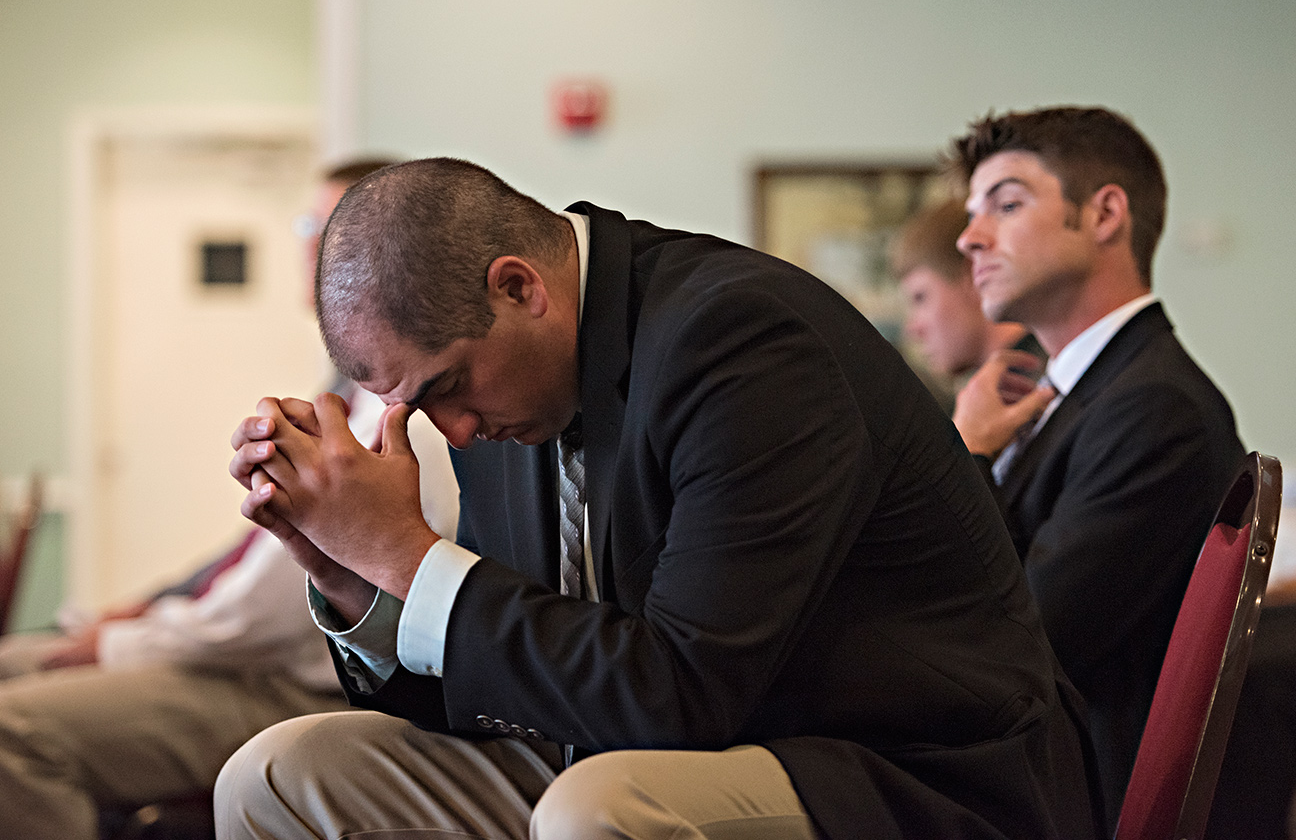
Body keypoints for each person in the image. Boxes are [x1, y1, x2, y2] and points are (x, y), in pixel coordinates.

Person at [221, 157, 1105, 840]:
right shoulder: (501, 397)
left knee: (598, 809)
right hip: (633, 753)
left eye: (448, 385)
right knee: (276, 773)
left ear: (519, 286)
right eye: (418, 403)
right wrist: (348, 572)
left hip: (899, 771)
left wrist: (406, 554)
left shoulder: (739, 342)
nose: (449, 432)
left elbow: (683, 694)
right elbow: (514, 674)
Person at [0, 159, 461, 840]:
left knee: (11, 731)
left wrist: (124, 641)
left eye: (331, 230)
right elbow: (255, 563)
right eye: (310, 227)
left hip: (292, 682)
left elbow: (267, 614)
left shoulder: (407, 416)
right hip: (252, 658)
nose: (311, 249)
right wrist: (147, 610)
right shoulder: (353, 391)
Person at [947, 105, 1245, 824]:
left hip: (1063, 795)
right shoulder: (1087, 393)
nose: (969, 236)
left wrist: (965, 457)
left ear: (1105, 212)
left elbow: (1023, 647)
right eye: (970, 212)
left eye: (1007, 203)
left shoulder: (1154, 407)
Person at [889, 197, 1040, 383]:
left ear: (974, 276)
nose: (913, 329)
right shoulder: (1001, 390)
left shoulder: (1036, 393)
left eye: (921, 298)